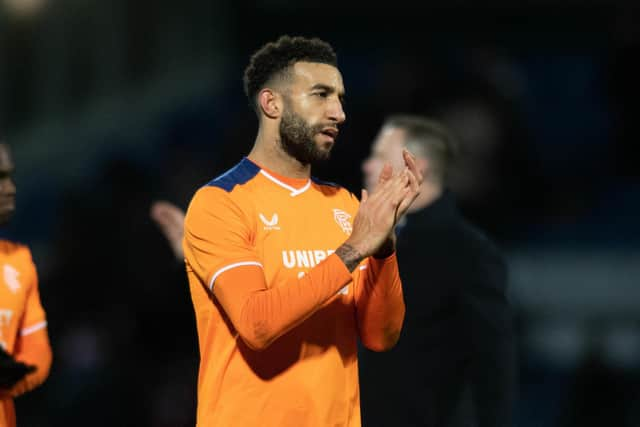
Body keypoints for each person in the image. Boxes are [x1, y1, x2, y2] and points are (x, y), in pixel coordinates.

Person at [182, 35, 422, 426]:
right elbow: (257, 325)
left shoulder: (345, 207)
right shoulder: (220, 203)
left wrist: (383, 251)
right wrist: (354, 249)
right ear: (271, 103)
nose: (339, 113)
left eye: (341, 98)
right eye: (321, 95)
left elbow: (381, 337)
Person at [359, 115, 516, 427]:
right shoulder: (361, 235)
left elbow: (493, 363)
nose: (367, 166)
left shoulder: (469, 251)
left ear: (417, 168)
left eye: (380, 156)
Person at [0, 143, 52, 427]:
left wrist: (13, 376)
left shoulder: (19, 262)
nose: (10, 189)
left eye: (10, 176)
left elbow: (38, 352)